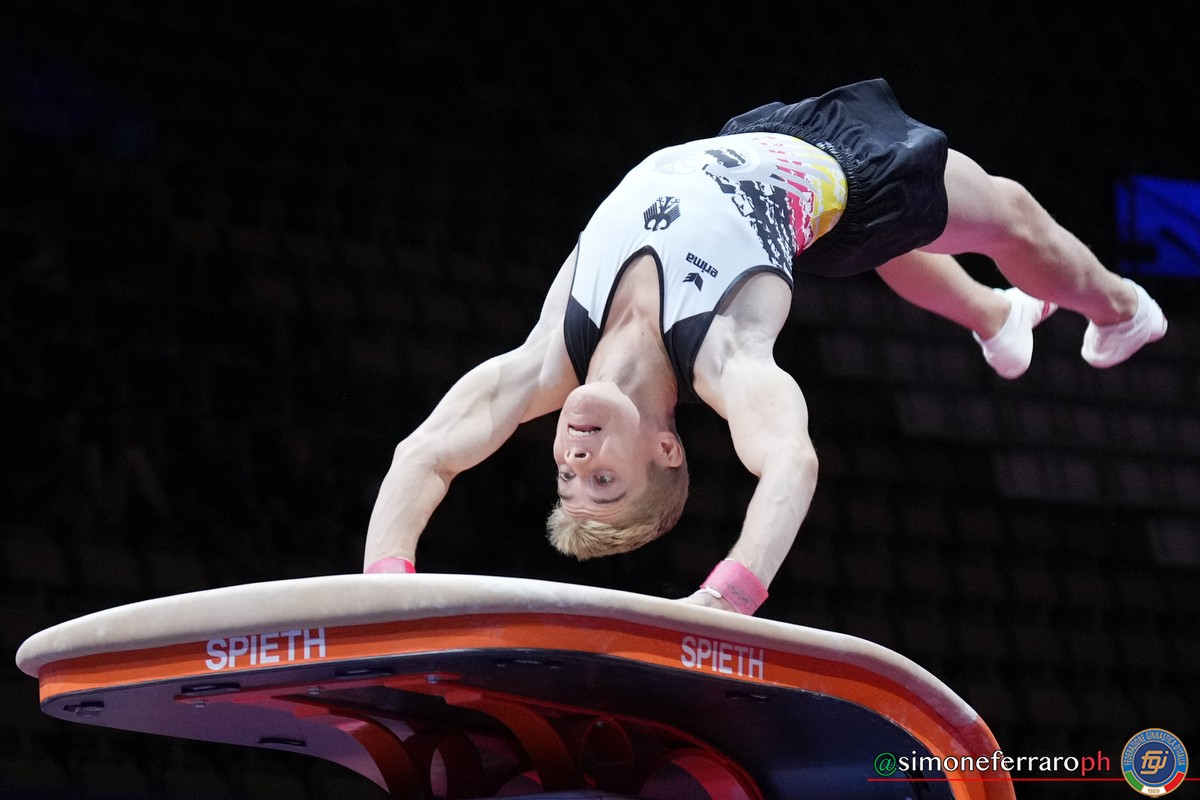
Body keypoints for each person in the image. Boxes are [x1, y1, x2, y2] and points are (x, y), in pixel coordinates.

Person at [363, 79, 1167, 615]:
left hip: (756, 142)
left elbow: (425, 454)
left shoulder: (549, 355)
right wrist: (727, 597)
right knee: (1009, 216)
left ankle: (993, 317)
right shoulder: (725, 357)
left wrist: (380, 591)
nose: (574, 459)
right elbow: (790, 463)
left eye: (567, 476)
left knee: (884, 248)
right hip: (850, 174)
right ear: (668, 449)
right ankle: (1122, 307)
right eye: (604, 479)